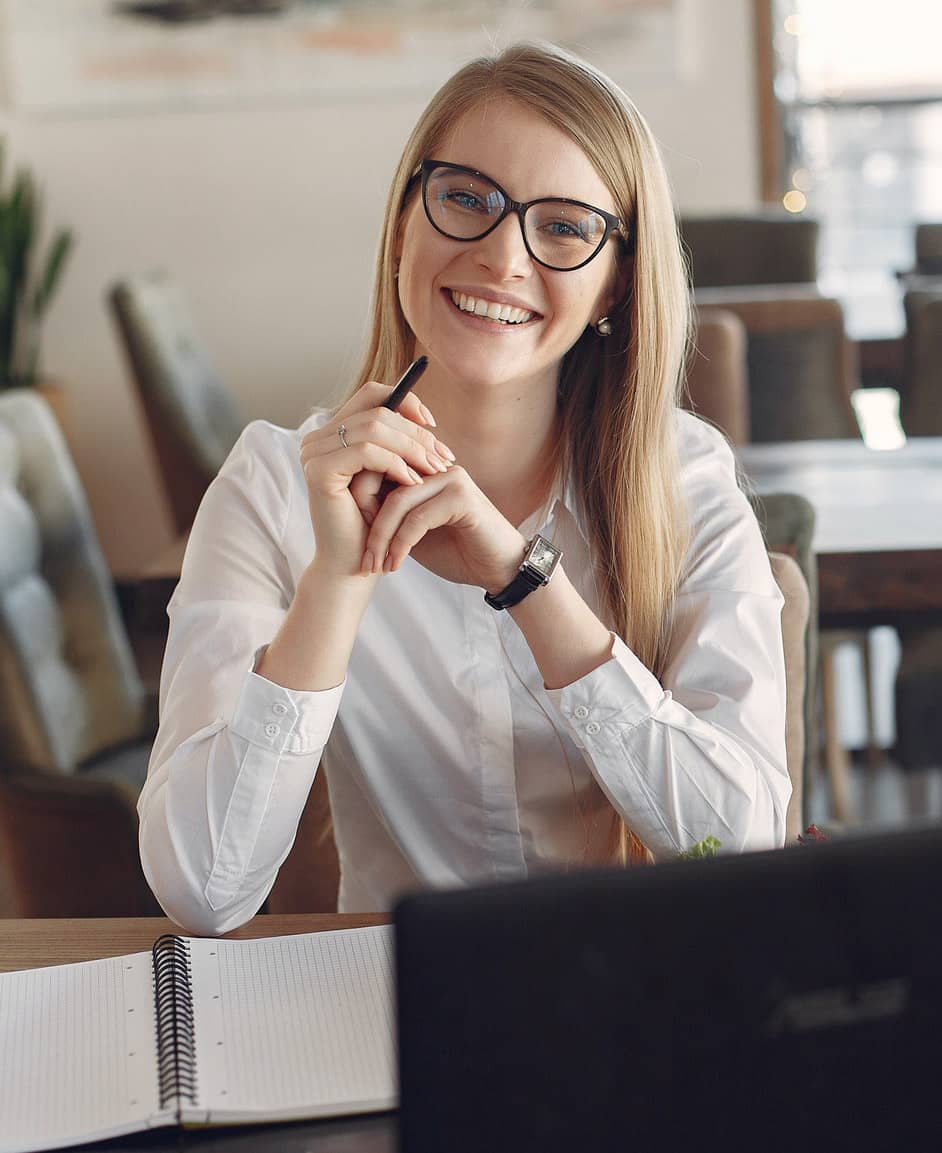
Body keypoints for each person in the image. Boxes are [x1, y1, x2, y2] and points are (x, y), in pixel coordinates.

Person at [138, 42, 790, 935]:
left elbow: (742, 855)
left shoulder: (688, 483)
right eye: (466, 199)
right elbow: (202, 892)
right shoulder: (272, 485)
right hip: (386, 1011)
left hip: (638, 1001)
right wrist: (338, 579)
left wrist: (527, 581)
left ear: (616, 283)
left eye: (563, 226)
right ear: (405, 218)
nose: (501, 255)